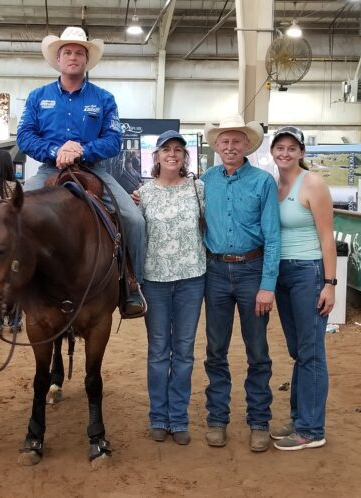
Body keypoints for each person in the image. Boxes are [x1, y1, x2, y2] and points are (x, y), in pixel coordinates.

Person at [16, 26, 146, 317]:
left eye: (79, 52)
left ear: (86, 60)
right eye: (67, 52)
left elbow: (113, 141)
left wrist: (81, 150)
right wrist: (55, 151)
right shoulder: (38, 97)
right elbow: (24, 136)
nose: (73, 57)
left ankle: (132, 285)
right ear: (58, 60)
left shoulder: (104, 98)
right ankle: (15, 289)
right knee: (13, 216)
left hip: (94, 169)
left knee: (134, 220)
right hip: (48, 168)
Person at [200, 115, 281, 452]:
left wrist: (268, 285)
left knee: (257, 351)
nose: (230, 147)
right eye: (224, 141)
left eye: (236, 141)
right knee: (215, 350)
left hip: (252, 270)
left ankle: (259, 421)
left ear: (247, 145)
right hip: (215, 272)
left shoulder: (263, 182)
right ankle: (217, 419)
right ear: (216, 146)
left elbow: (274, 237)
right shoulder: (205, 181)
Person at [265, 127, 335, 451]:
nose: (285, 153)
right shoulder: (275, 185)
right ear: (272, 152)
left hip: (309, 272)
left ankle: (311, 429)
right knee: (298, 351)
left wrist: (330, 284)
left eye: (292, 148)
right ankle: (299, 418)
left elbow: (326, 237)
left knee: (311, 352)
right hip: (283, 275)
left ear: (301, 152)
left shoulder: (313, 184)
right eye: (280, 147)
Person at [136, 131, 206, 446]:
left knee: (185, 352)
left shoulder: (198, 189)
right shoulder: (143, 194)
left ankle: (178, 418)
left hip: (192, 278)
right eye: (167, 149)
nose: (173, 154)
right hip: (154, 281)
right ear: (157, 156)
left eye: (178, 149)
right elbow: (136, 238)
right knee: (158, 352)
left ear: (185, 157)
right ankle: (158, 417)